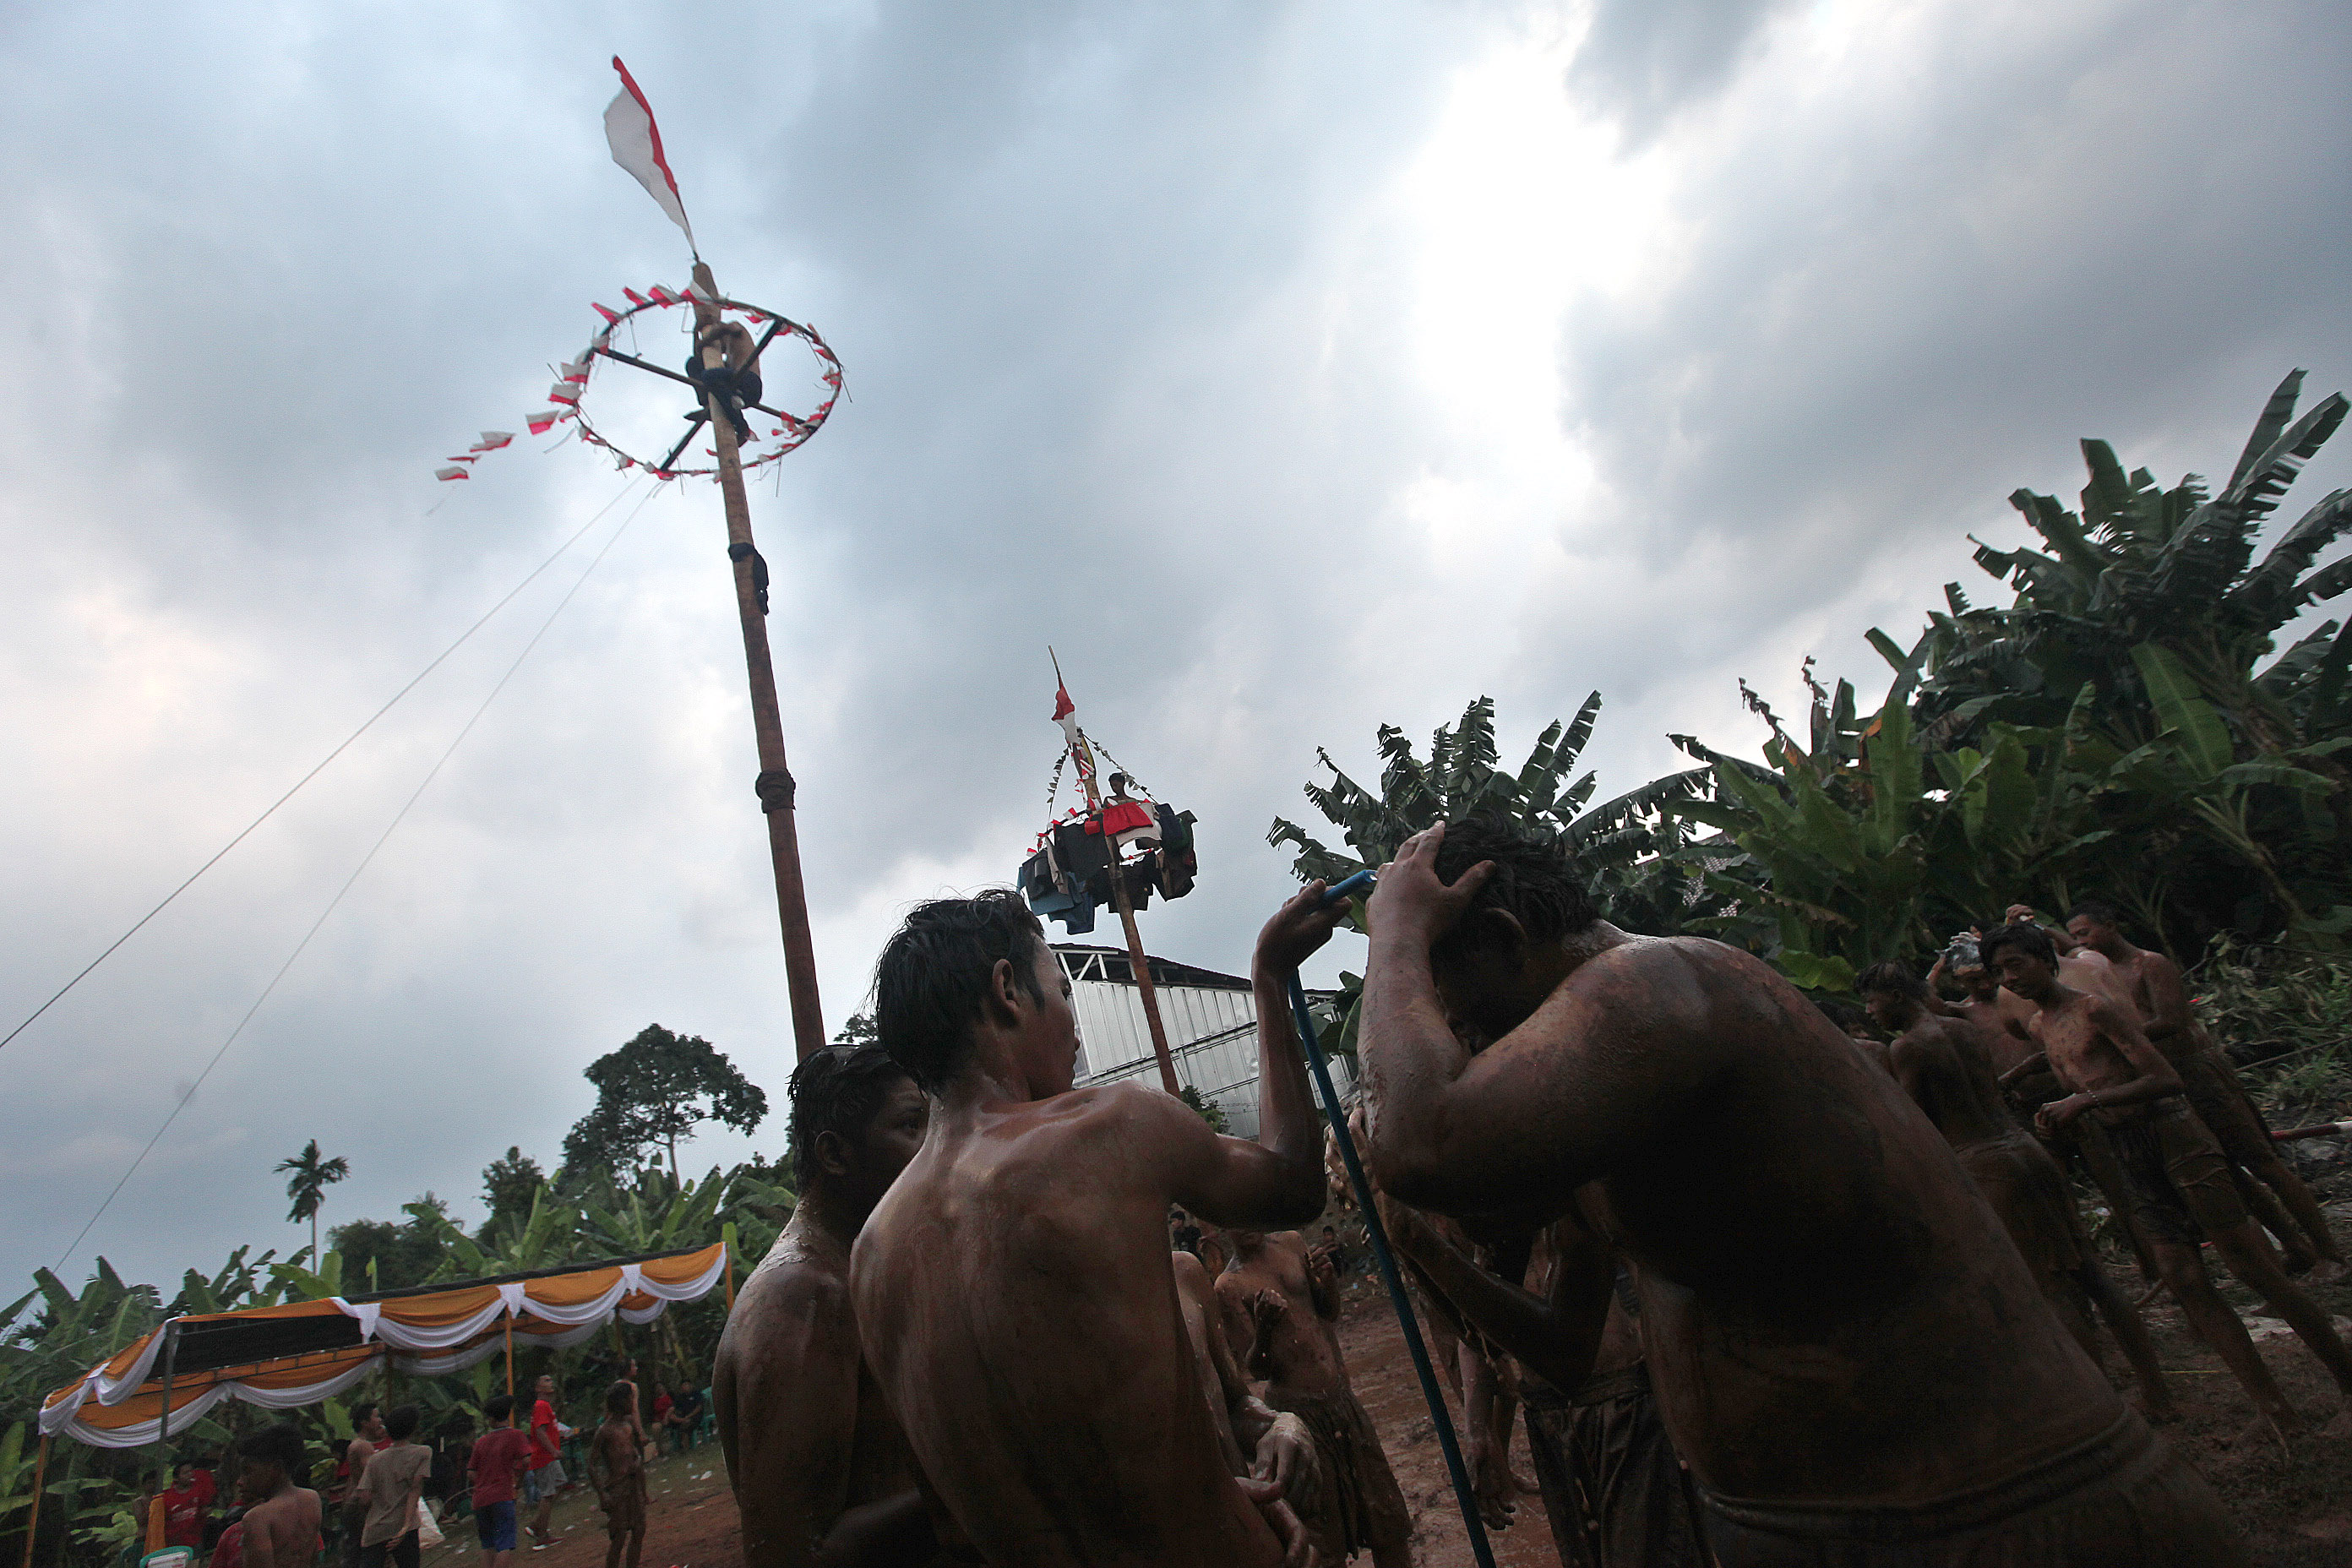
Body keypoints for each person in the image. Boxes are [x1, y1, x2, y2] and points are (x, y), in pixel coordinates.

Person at [1355, 819, 2240, 1565]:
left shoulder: (1653, 984)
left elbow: (1421, 1140)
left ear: (1509, 938)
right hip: (1829, 1521)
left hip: (1987, 1512)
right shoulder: (1610, 1092)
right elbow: (1559, 1333)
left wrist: (1392, 932)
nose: (1465, 1043)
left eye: (1461, 1014)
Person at [851, 887, 1342, 1566]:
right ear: (1007, 990)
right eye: (1062, 989)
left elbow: (989, 1501)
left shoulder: (872, 1257)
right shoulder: (1110, 1128)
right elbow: (1294, 1183)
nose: (1076, 1027)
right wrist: (1269, 975)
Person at [1985, 921, 2352, 1445]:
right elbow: (2085, 1081)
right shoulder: (2043, 1028)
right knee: (2183, 1277)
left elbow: (2164, 1078)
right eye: (2000, 971)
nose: (2009, 979)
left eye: (2015, 964)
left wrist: (2085, 1102)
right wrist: (2057, 1111)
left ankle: (2346, 1381)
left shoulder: (2096, 1009)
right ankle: (2276, 1413)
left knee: (2250, 1265)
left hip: (2174, 1132)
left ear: (2046, 958)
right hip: (2130, 1151)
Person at [1857, 961, 2176, 1422]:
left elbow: (1917, 1123)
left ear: (1895, 996)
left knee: (2049, 1286)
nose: (1869, 1012)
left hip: (1986, 1165)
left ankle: (2101, 1410)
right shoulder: (1961, 1029)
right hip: (2027, 1150)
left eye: (1872, 1000)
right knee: (2092, 1273)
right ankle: (2157, 1393)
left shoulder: (1909, 1047)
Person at [712, 1042, 943, 1568]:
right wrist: (982, 1479)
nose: (935, 1148)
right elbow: (797, 1551)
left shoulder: (855, 1270)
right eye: (912, 1126)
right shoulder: (806, 1295)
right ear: (835, 1155)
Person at [2066, 901, 2345, 1279]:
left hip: (2196, 1074)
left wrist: (2117, 1036)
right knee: (2228, 1172)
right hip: (2164, 1084)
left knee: (2263, 1162)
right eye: (2074, 937)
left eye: (2085, 933)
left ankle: (2330, 1253)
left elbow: (2173, 1021)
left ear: (2111, 926)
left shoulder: (2150, 964)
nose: (2081, 942)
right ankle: (2295, 1248)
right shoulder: (2100, 976)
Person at [1217, 1228, 1413, 1567]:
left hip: (1341, 1400)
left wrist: (1327, 1281)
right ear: (1220, 1224)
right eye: (1230, 1219)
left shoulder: (1292, 1242)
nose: (1243, 1225)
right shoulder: (1229, 1286)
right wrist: (1264, 1328)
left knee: (1388, 1522)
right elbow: (1258, 1370)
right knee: (1325, 1540)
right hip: (1298, 1418)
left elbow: (1328, 1313)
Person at [1172, 1250, 1320, 1516]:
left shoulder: (1183, 1273)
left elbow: (1233, 1406)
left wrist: (1279, 1426)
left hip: (1249, 1533)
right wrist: (1215, 1492)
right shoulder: (1072, 1324)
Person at [352, 1407, 430, 1568]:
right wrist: (406, 1526)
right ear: (413, 1428)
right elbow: (415, 1491)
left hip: (375, 1530)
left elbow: (364, 1498)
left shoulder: (375, 1459)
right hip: (404, 1527)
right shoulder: (422, 1453)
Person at [232, 1424, 320, 1568]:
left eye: (248, 1471)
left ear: (276, 1468)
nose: (240, 1481)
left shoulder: (258, 1517)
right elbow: (313, 1557)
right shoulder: (311, 1498)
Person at [586, 1384, 648, 1568]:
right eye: (630, 1399)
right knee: (619, 1537)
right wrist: (603, 1494)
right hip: (617, 1489)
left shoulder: (628, 1426)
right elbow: (591, 1465)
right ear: (620, 1402)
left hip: (633, 1485)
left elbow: (634, 1452)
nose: (632, 1403)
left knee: (638, 1530)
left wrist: (638, 1464)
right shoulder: (604, 1431)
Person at [468, 1395, 532, 1568]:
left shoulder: (481, 1442)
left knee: (487, 1544)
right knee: (504, 1544)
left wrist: (483, 1482)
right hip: (502, 1496)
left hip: (480, 1499)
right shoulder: (516, 1435)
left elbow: (471, 1473)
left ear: (491, 1419)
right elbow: (526, 1460)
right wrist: (517, 1482)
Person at [683, 319, 761, 444]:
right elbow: (700, 359)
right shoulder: (729, 362)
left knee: (709, 376)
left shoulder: (735, 328)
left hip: (750, 382)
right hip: (736, 389)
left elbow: (728, 329)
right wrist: (695, 334)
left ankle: (741, 426)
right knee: (693, 364)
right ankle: (709, 402)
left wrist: (706, 339)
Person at [338, 1407, 387, 1568]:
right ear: (364, 1423)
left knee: (354, 1551)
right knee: (367, 1550)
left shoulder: (358, 1445)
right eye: (376, 1417)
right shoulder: (363, 1446)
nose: (380, 1420)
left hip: (353, 1502)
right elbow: (369, 1478)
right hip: (360, 1504)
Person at [523, 1375, 568, 1549]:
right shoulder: (541, 1406)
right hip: (544, 1456)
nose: (551, 1383)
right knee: (548, 1494)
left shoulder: (545, 1406)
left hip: (548, 1456)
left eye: (551, 1380)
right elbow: (540, 1432)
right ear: (538, 1388)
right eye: (546, 1381)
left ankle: (536, 1525)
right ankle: (541, 1534)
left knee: (560, 1483)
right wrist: (553, 1450)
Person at [161, 1461, 213, 1554]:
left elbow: (204, 1508)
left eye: (191, 1471)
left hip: (195, 1541)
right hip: (174, 1545)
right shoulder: (167, 1497)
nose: (190, 1475)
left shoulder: (199, 1490)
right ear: (176, 1478)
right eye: (185, 1473)